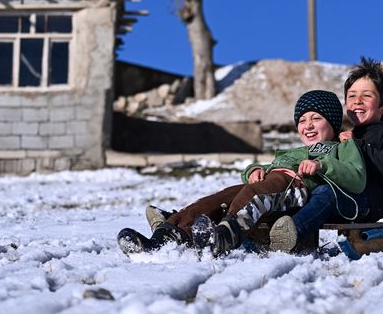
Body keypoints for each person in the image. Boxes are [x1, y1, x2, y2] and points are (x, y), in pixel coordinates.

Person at [117, 90, 367, 256]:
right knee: (220, 197)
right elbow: (267, 169)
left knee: (257, 194)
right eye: (302, 120)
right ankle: (167, 235)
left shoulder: (341, 146)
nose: (308, 125)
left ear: (333, 123)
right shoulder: (293, 151)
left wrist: (322, 166)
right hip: (271, 182)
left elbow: (356, 176)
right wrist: (255, 170)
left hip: (297, 188)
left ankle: (225, 235)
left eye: (316, 118)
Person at [267, 57, 383, 252]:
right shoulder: (345, 135)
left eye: (366, 96)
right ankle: (262, 229)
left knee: (326, 194)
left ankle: (291, 232)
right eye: (351, 96)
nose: (357, 101)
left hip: (369, 202)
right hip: (340, 196)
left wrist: (356, 146)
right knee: (302, 191)